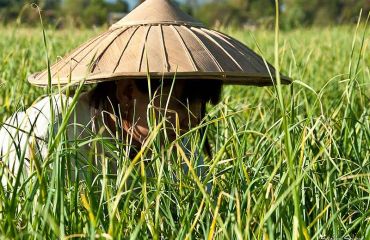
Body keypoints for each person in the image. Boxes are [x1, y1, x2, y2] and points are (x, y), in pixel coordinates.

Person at [0, 78, 222, 187]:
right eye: (179, 105)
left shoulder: (179, 150)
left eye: (200, 107)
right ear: (127, 92)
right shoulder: (50, 128)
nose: (192, 122)